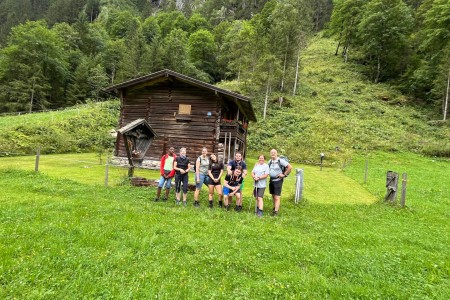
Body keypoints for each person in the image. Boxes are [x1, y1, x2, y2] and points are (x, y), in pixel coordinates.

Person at [268, 149, 292, 216]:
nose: (273, 154)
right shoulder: (270, 161)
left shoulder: (280, 161)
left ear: (276, 153)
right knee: (273, 195)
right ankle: (275, 207)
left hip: (278, 180)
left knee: (277, 197)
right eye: (271, 152)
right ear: (270, 154)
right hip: (271, 180)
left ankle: (276, 212)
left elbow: (290, 167)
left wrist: (284, 174)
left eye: (274, 152)